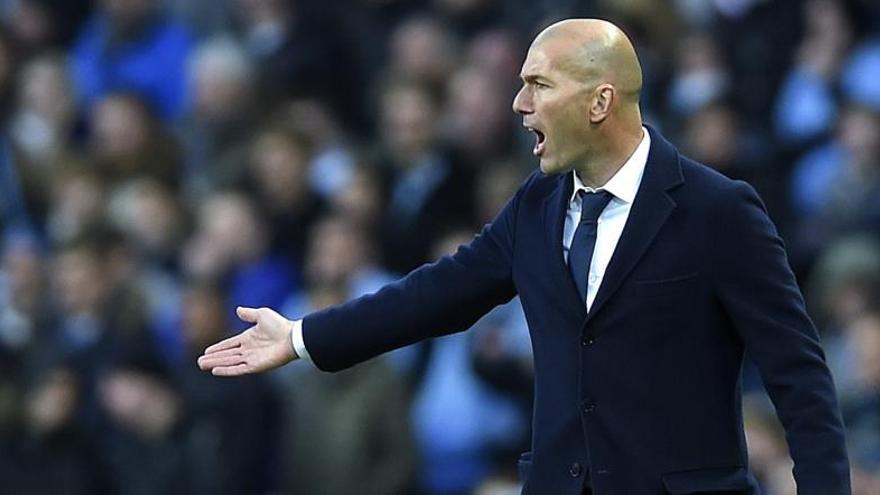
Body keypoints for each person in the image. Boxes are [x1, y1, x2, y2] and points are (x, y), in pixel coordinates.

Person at [198, 18, 851, 494]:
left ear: (600, 101)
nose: (519, 104)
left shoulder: (717, 209)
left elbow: (799, 375)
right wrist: (306, 335)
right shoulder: (535, 208)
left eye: (538, 84)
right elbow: (436, 294)